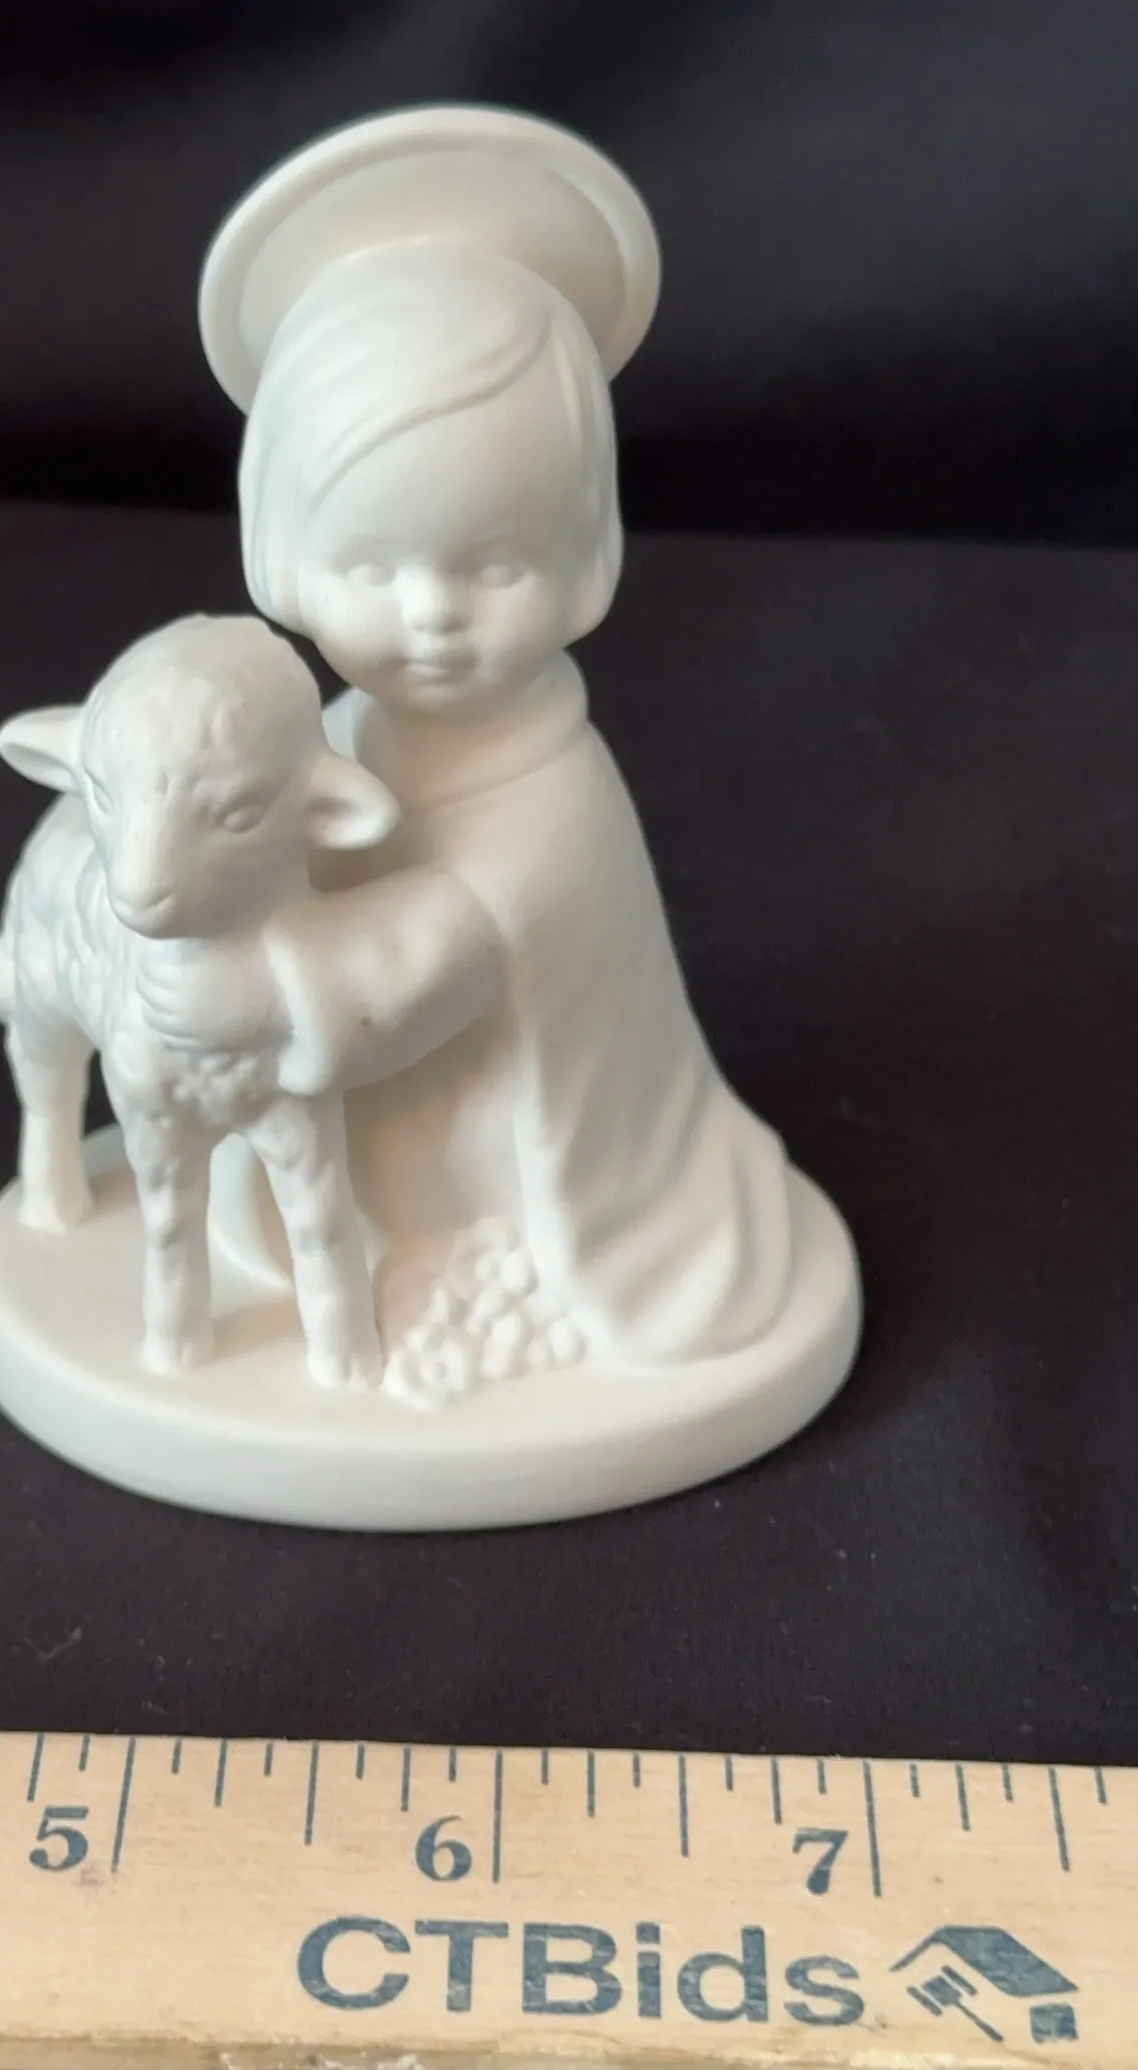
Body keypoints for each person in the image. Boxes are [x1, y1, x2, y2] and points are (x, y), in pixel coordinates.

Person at [140, 234, 800, 1369]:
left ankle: (467, 1251)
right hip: (358, 1136)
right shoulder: (334, 740)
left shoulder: (551, 800)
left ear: (585, 554)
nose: (431, 613)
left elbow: (415, 967)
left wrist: (246, 983)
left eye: (494, 566)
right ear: (281, 551)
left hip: (515, 1145)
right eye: (371, 568)